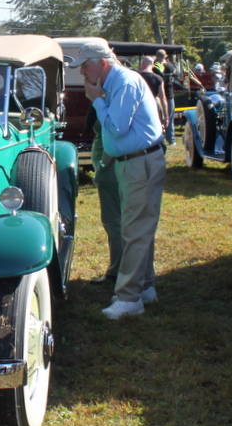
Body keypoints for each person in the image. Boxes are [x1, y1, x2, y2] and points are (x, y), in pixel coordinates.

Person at [71, 38, 166, 319]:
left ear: (102, 63)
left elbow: (116, 127)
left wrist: (96, 101)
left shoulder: (123, 82)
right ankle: (144, 287)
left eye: (85, 67)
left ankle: (129, 298)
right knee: (138, 227)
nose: (82, 73)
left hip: (140, 163)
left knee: (135, 230)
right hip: (135, 162)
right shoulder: (117, 81)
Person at [86, 105, 121, 287]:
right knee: (115, 219)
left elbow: (115, 136)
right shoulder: (109, 101)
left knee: (113, 219)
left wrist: (103, 166)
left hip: (110, 167)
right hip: (108, 165)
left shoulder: (114, 102)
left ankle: (117, 271)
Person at [152, 49, 177, 145]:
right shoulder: (169, 67)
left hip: (157, 96)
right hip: (169, 95)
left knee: (158, 118)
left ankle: (159, 138)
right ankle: (171, 140)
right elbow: (174, 71)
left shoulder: (153, 67)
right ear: (165, 57)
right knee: (169, 118)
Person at [137, 56, 168, 128]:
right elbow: (163, 98)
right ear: (153, 65)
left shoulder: (137, 76)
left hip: (139, 103)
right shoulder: (158, 78)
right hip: (154, 103)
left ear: (142, 64)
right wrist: (166, 117)